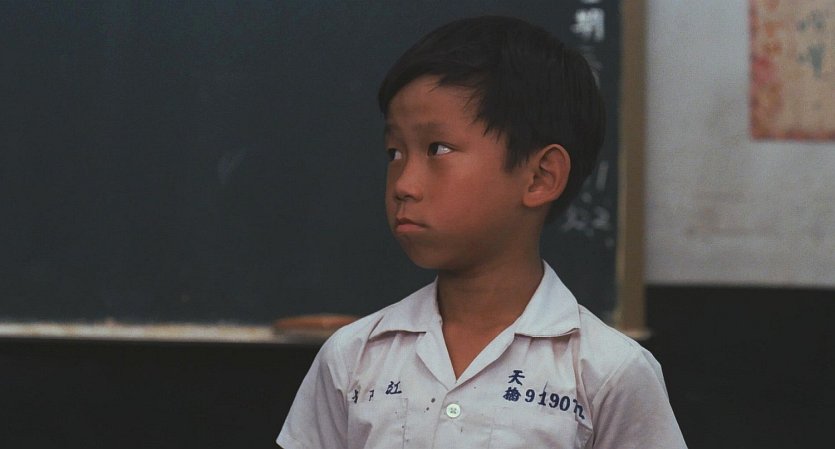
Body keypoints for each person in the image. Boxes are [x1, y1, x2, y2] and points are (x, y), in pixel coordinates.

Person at [277, 15, 686, 449]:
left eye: (438, 149)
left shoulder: (607, 371)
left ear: (540, 177)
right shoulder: (353, 356)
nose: (404, 185)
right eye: (394, 153)